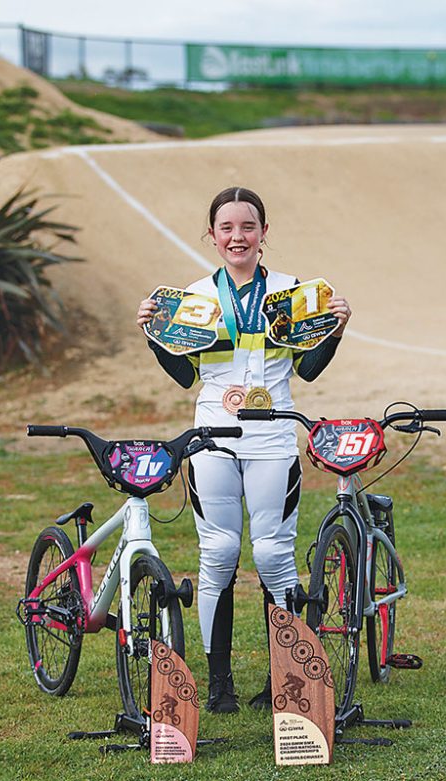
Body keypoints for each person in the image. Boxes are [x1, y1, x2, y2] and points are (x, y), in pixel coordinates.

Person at [135, 186, 351, 714]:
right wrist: (154, 335)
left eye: (248, 227)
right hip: (213, 437)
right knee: (220, 554)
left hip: (273, 435)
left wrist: (335, 329)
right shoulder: (191, 299)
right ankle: (218, 682)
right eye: (226, 228)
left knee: (275, 556)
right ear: (211, 235)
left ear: (264, 233)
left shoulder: (293, 292)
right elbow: (186, 376)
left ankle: (289, 677)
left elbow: (308, 369)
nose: (238, 236)